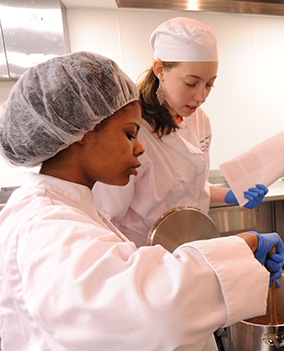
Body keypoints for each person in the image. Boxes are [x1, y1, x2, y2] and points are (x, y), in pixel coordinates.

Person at [0, 51, 284, 351]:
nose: (140, 148)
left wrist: (236, 237)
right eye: (129, 134)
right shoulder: (45, 226)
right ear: (81, 133)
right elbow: (143, 311)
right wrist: (242, 247)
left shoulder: (70, 207)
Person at [93, 17, 268, 246]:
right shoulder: (132, 130)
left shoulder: (200, 121)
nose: (201, 97)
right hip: (142, 253)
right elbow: (105, 217)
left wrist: (228, 195)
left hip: (190, 244)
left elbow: (188, 184)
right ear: (160, 70)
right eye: (191, 83)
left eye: (209, 84)